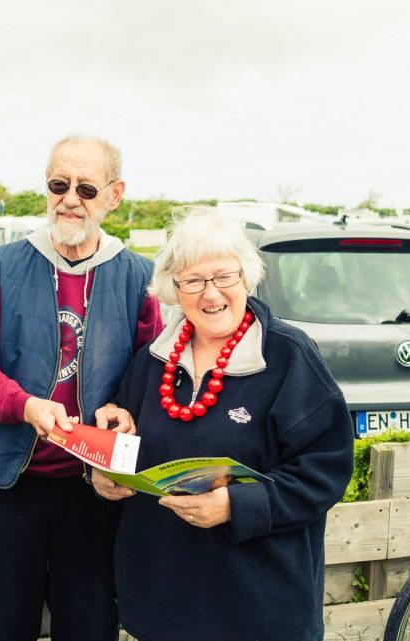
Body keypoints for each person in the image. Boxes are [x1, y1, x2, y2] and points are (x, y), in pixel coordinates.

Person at [91, 212, 354, 641]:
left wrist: (237, 506)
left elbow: (325, 472)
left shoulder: (288, 357)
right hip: (163, 603)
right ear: (174, 291)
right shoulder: (151, 361)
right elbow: (131, 443)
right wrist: (102, 470)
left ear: (247, 279)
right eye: (193, 281)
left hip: (257, 608)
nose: (211, 293)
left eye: (223, 277)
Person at [0, 134, 162, 641]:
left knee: (89, 630)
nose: (70, 199)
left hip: (91, 494)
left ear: (114, 195)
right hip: (4, 486)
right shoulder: (5, 265)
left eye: (86, 188)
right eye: (58, 184)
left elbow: (148, 379)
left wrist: (124, 413)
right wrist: (23, 406)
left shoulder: (137, 276)